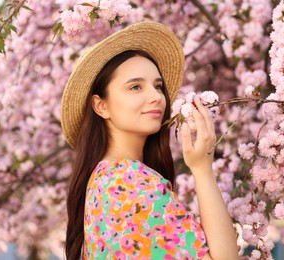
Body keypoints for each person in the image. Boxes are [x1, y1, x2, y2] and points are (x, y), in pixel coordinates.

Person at [61, 21, 238, 260]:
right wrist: (202, 169)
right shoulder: (127, 181)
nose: (156, 97)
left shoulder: (104, 179)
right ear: (101, 105)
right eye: (135, 87)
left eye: (158, 86)